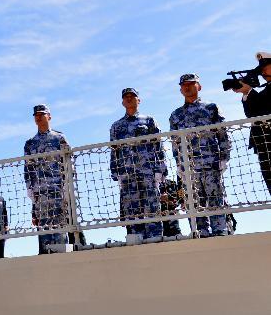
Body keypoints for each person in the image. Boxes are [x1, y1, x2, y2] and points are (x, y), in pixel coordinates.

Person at [169, 73, 231, 237]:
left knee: (216, 200)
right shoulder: (176, 115)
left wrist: (224, 158)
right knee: (194, 203)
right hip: (190, 168)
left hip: (211, 164)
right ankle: (200, 233)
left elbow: (223, 134)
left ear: (199, 86)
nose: (187, 87)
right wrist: (179, 166)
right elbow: (175, 143)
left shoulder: (211, 108)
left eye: (191, 84)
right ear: (181, 89)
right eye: (184, 85)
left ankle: (221, 232)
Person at [109, 88, 167, 240]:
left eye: (132, 96)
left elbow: (158, 146)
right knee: (132, 210)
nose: (129, 99)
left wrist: (161, 170)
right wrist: (116, 173)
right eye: (126, 97)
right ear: (122, 102)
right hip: (127, 175)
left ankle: (155, 239)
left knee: (152, 207)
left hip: (148, 172)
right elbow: (114, 151)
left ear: (138, 100)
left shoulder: (148, 121)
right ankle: (136, 240)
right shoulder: (116, 126)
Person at [23, 104, 70, 254]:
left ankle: (63, 256)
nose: (38, 116)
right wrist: (30, 190)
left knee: (60, 225)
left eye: (42, 114)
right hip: (40, 192)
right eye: (36, 115)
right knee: (43, 229)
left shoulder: (59, 138)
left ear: (49, 116)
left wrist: (68, 186)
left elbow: (68, 163)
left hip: (58, 189)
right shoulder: (30, 143)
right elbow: (28, 169)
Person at [229, 51, 271, 193]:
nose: (263, 72)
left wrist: (250, 91)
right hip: (264, 145)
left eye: (266, 67)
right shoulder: (266, 90)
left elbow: (264, 108)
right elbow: (253, 114)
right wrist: (247, 92)